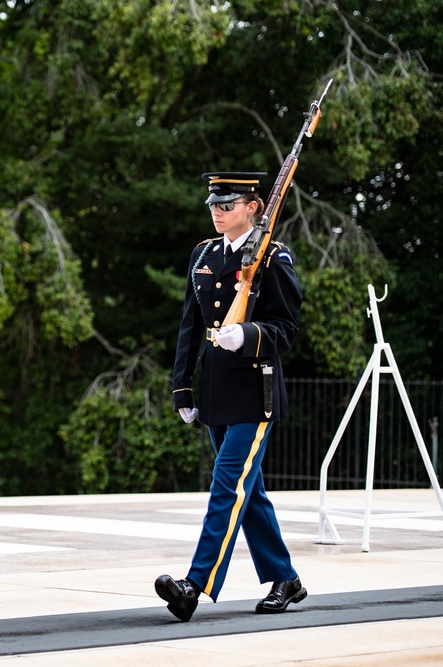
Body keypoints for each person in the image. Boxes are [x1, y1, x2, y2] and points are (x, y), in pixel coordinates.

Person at [156, 171, 306, 622]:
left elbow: (287, 328)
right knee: (248, 490)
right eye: (214, 205)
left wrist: (248, 334)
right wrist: (182, 385)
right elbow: (189, 324)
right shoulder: (202, 254)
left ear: (253, 207)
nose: (219, 212)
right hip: (215, 389)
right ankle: (286, 579)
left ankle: (195, 585)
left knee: (227, 485)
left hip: (253, 391)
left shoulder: (272, 258)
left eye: (228, 205)